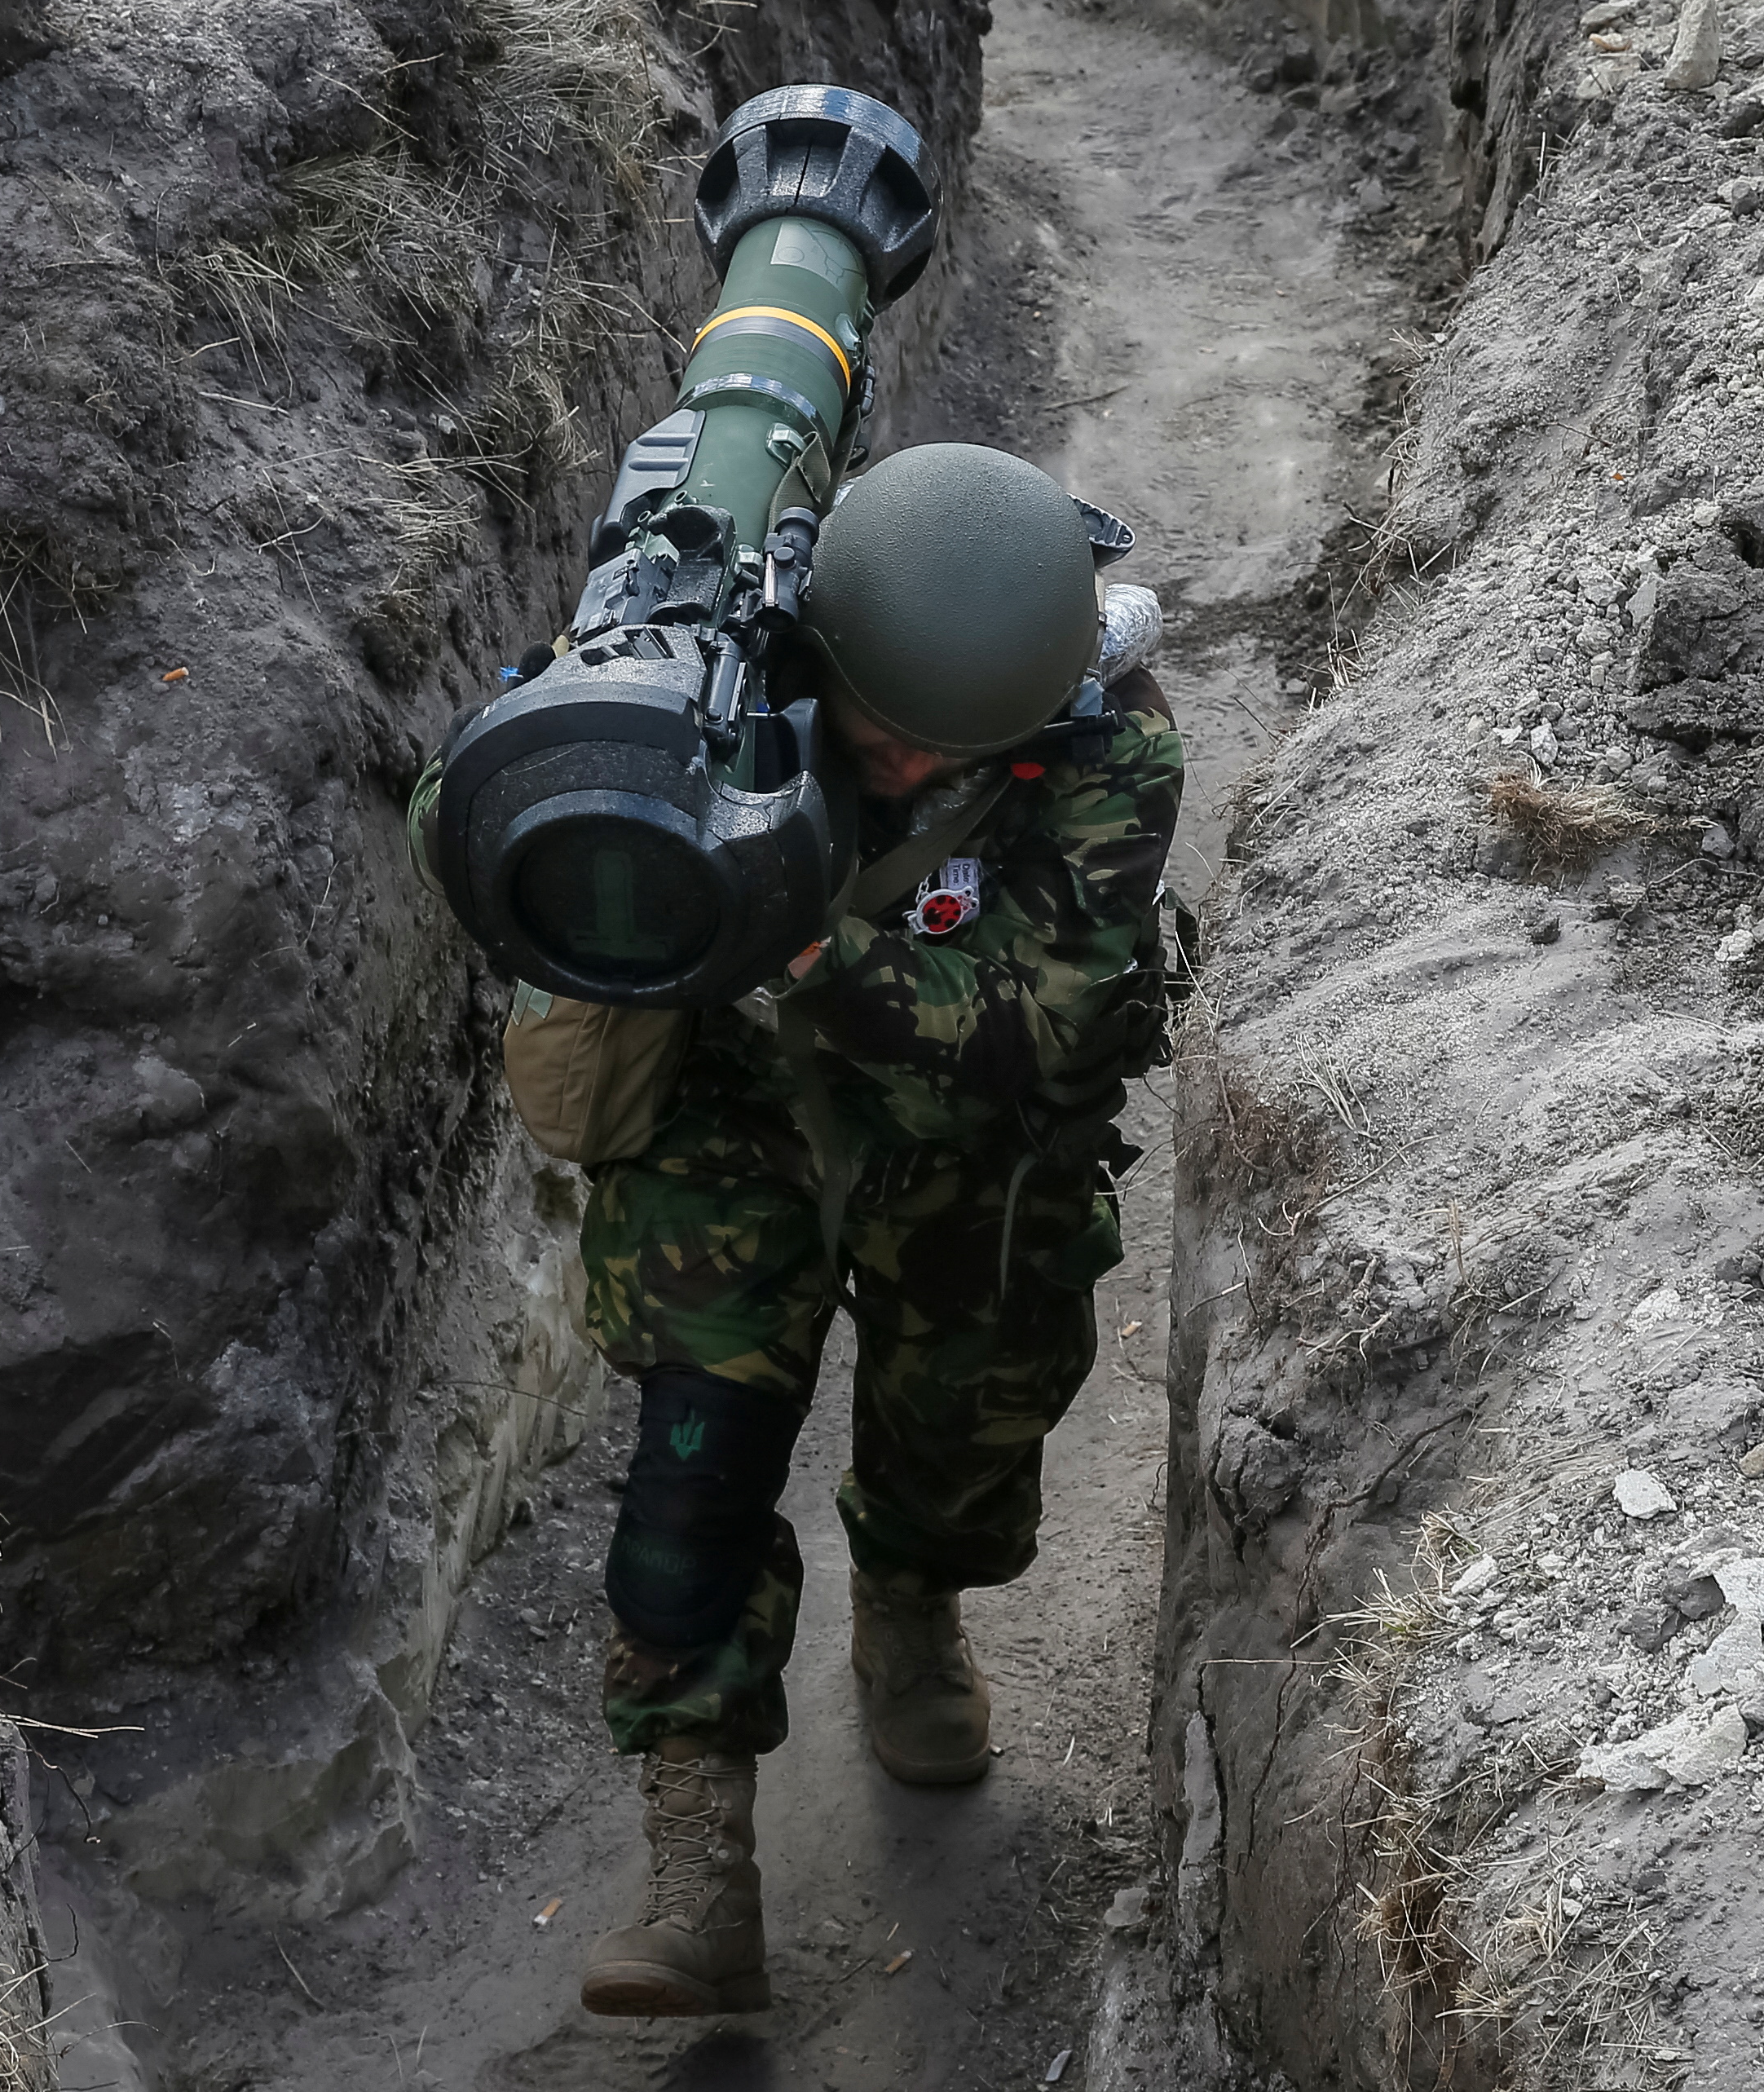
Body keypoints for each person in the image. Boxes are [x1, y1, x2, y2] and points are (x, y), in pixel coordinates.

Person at [568, 443, 1184, 2018]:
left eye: (942, 751)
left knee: (965, 1434)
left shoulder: (1110, 748)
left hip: (969, 1153)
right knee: (689, 1475)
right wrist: (591, 742)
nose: (899, 769)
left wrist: (785, 935)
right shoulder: (718, 655)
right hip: (734, 1122)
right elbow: (485, 804)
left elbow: (1035, 1024)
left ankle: (909, 1605)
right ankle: (700, 1867)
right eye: (876, 732)